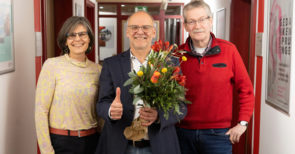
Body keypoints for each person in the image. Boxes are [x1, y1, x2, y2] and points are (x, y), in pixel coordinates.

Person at [95, 11, 187, 154]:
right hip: (121, 146)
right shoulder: (110, 64)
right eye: (134, 27)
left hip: (160, 146)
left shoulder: (170, 63)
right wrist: (110, 111)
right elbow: (102, 103)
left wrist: (158, 115)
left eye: (146, 27)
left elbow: (181, 106)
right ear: (127, 31)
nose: (140, 32)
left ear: (153, 31)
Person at [176, 0, 255, 154]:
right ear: (185, 26)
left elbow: (246, 89)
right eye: (191, 21)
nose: (197, 25)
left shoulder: (229, 50)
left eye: (202, 20)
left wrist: (243, 123)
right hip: (182, 133)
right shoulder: (176, 55)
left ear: (210, 21)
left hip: (218, 135)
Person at [35, 16, 102, 154]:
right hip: (62, 142)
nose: (78, 39)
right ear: (65, 41)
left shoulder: (98, 70)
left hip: (93, 141)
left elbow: (100, 112)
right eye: (71, 35)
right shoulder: (52, 65)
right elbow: (41, 111)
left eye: (82, 34)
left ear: (89, 38)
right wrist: (46, 151)